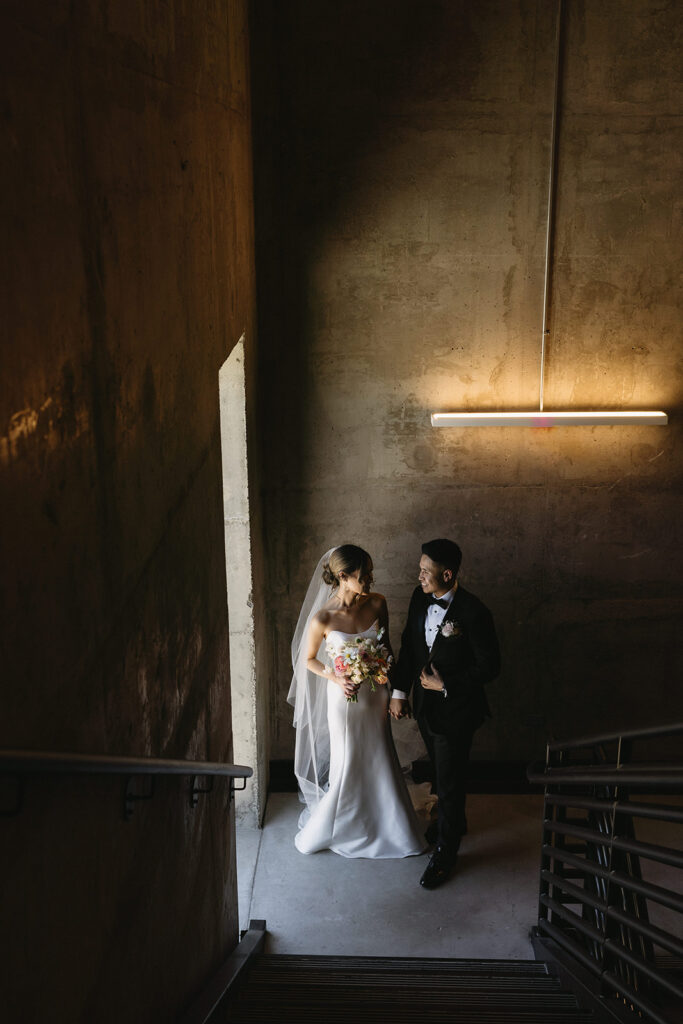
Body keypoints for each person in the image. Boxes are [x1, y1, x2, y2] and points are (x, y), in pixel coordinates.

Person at [288, 545, 426, 858]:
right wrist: (336, 678)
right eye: (364, 576)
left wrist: (390, 681)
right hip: (344, 697)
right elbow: (308, 659)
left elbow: (387, 647)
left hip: (376, 694)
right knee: (348, 757)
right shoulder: (323, 618)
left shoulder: (378, 603)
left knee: (379, 753)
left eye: (370, 574)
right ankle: (342, 823)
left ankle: (390, 823)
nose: (370, 581)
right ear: (343, 576)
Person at [390, 539, 500, 889]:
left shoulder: (475, 613)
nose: (419, 575)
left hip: (458, 710)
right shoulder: (419, 596)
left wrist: (446, 683)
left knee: (451, 779)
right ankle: (454, 823)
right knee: (441, 772)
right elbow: (410, 645)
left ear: (447, 574)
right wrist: (398, 691)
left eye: (425, 571)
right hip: (424, 707)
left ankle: (446, 851)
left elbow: (490, 666)